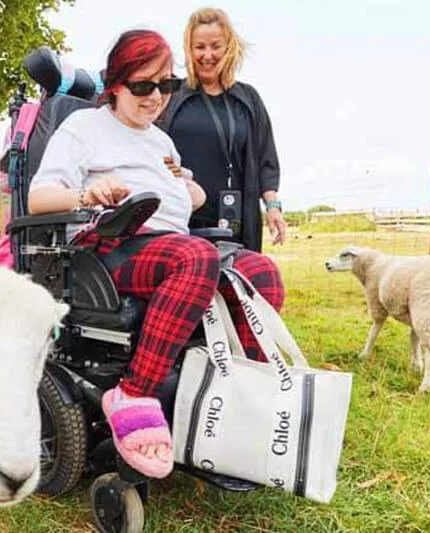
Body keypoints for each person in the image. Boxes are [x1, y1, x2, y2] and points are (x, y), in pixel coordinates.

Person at [28, 29, 285, 479]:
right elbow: (38, 198)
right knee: (196, 258)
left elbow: (191, 200)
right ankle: (134, 391)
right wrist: (89, 194)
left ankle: (234, 395)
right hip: (110, 248)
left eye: (165, 85)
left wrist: (185, 184)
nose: (155, 97)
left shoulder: (158, 140)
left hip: (169, 245)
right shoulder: (84, 127)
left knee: (259, 271)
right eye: (143, 86)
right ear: (116, 84)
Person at [157, 7, 287, 252]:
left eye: (215, 46)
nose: (207, 55)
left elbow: (265, 159)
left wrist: (272, 207)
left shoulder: (248, 99)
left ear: (229, 48)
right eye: (199, 47)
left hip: (236, 223)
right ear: (189, 49)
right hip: (181, 222)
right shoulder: (170, 96)